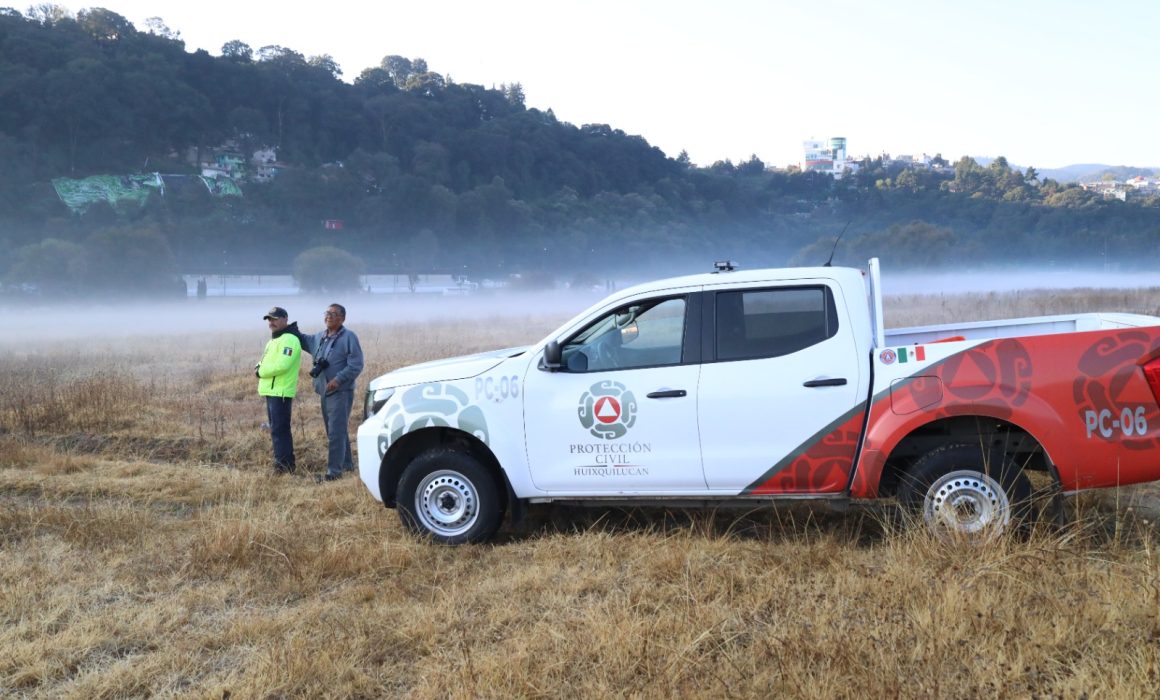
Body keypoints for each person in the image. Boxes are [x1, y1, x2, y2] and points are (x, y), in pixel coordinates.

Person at [299, 303, 364, 482]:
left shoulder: (349, 337)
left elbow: (356, 364)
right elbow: (303, 340)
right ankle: (347, 465)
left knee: (335, 432)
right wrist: (288, 329)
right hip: (324, 390)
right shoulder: (320, 337)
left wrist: (339, 379)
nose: (328, 316)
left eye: (333, 314)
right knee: (336, 430)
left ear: (342, 318)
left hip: (341, 391)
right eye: (327, 313)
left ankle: (333, 473)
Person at [256, 306, 303, 475]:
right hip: (271, 391)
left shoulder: (290, 339)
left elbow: (282, 365)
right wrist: (259, 366)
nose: (271, 322)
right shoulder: (273, 340)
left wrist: (260, 371)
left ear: (285, 319)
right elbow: (264, 361)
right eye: (269, 319)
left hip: (281, 392)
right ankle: (282, 464)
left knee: (280, 430)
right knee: (276, 429)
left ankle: (284, 467)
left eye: (274, 319)